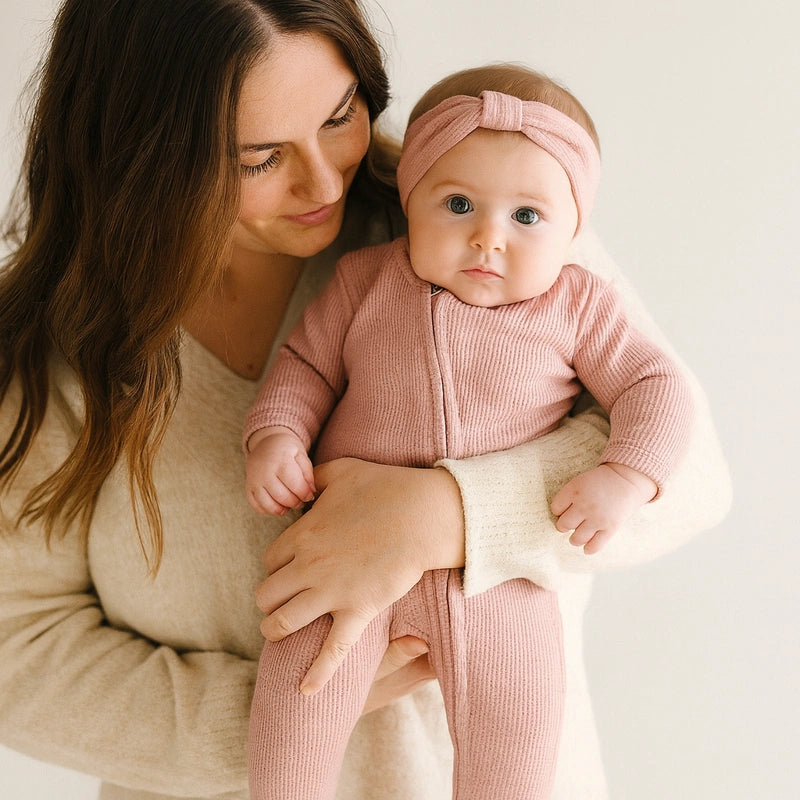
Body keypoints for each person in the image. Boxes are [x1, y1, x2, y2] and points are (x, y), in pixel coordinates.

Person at [0, 1, 730, 799]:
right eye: (258, 158)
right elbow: (19, 650)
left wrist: (447, 513)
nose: (323, 181)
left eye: (339, 116)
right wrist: (285, 708)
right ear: (144, 155)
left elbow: (690, 471)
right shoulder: (55, 349)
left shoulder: (491, 209)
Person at [243, 65, 694, 800]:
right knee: (294, 713)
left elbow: (659, 387)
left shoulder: (579, 303)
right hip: (333, 559)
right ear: (412, 203)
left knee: (514, 748)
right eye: (458, 204)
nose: (489, 238)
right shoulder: (364, 279)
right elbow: (304, 368)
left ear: (574, 228)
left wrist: (627, 475)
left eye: (527, 217)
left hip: (503, 581)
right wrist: (275, 436)